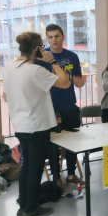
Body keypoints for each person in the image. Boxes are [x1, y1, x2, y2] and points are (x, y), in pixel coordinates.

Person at [3, 32, 70, 216]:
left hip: (20, 125)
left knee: (27, 166)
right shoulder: (34, 70)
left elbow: (6, 96)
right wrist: (53, 61)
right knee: (36, 168)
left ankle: (23, 204)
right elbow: (65, 83)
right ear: (37, 49)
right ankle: (30, 209)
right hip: (37, 126)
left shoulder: (9, 67)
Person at [34, 24, 86, 188]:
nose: (54, 40)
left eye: (57, 36)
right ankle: (56, 178)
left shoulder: (72, 56)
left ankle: (71, 175)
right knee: (53, 146)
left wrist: (81, 81)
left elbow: (78, 81)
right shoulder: (40, 58)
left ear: (63, 36)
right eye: (50, 37)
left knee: (73, 142)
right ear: (47, 39)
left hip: (69, 105)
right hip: (50, 107)